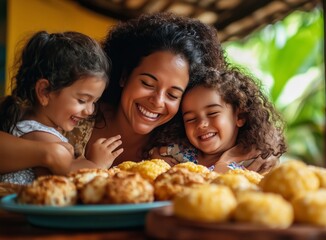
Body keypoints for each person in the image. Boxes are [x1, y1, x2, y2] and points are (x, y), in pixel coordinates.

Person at [0, 12, 226, 176]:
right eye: (148, 83)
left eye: (173, 95)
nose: (157, 101)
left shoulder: (179, 144)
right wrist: (49, 153)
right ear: (124, 76)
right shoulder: (70, 116)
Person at [0, 31, 123, 184]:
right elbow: (64, 184)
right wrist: (97, 164)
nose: (90, 110)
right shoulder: (39, 135)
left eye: (94, 102)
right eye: (82, 100)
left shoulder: (38, 128)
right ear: (44, 92)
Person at [150, 67, 287, 174]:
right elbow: (153, 156)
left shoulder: (254, 164)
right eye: (190, 119)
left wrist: (224, 162)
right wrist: (156, 158)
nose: (201, 124)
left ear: (240, 117)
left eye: (212, 113)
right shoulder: (178, 153)